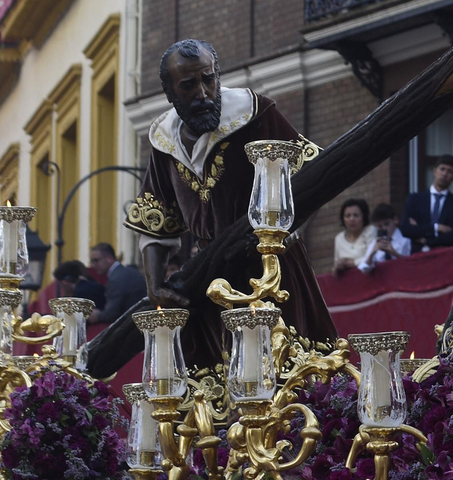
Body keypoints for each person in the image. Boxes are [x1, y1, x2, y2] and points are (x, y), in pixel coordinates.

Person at [124, 39, 337, 368]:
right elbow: (156, 220)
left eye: (208, 79)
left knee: (287, 370)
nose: (203, 93)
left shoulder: (255, 115)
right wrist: (154, 285)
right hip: (208, 278)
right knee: (215, 381)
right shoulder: (163, 142)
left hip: (272, 270)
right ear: (169, 92)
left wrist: (285, 233)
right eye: (188, 85)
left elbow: (312, 177)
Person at [401, 158, 453, 250]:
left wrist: (426, 240)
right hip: (417, 254)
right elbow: (406, 229)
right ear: (434, 171)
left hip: (444, 254)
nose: (444, 174)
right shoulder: (414, 199)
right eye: (442, 169)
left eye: (450, 171)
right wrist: (435, 228)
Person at [89, 242, 147, 325]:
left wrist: (97, 315)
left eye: (96, 260)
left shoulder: (116, 278)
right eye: (92, 261)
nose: (93, 265)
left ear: (109, 258)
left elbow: (111, 314)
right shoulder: (128, 272)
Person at [359, 202, 413, 271]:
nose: (384, 228)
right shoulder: (375, 243)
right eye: (380, 226)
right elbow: (364, 269)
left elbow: (408, 266)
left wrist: (393, 253)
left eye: (386, 224)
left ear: (395, 220)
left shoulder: (405, 240)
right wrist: (372, 254)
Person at [333, 198, 376, 273]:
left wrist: (353, 263)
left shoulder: (370, 230)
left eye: (356, 215)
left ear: (363, 217)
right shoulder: (339, 238)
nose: (352, 219)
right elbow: (336, 264)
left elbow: (373, 258)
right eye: (348, 216)